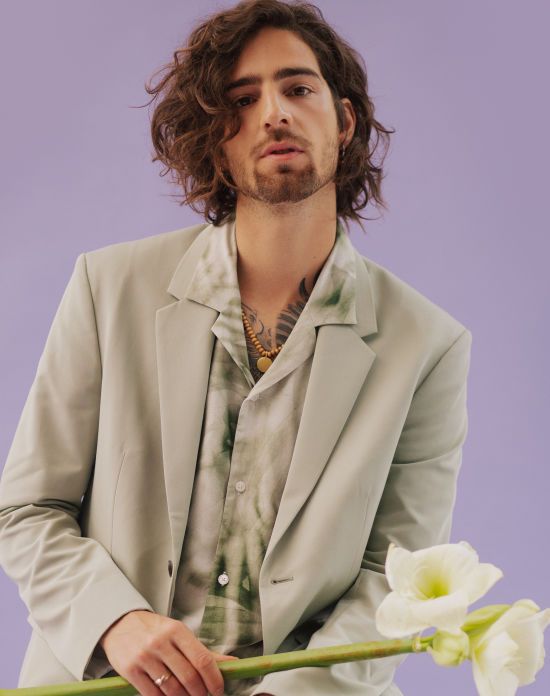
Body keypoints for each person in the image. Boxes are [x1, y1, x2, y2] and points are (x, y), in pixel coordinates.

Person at [0, 1, 473, 695]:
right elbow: (26, 510)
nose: (274, 113)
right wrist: (115, 620)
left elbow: (393, 580)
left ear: (343, 122)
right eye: (243, 100)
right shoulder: (110, 289)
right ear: (217, 140)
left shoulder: (427, 346)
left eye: (298, 88)